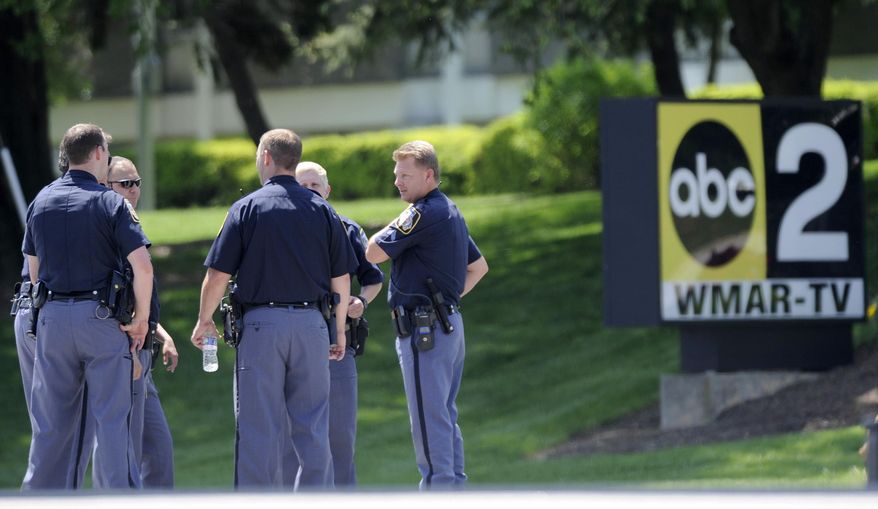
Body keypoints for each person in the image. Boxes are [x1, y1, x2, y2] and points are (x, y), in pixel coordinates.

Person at [190, 128, 357, 489]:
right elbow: (341, 278)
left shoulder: (247, 207)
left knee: (258, 428)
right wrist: (339, 330)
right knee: (313, 427)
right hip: (313, 325)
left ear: (266, 157)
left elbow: (217, 274)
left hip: (262, 327)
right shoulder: (323, 210)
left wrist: (204, 320)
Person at [21, 123, 153, 490]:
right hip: (99, 319)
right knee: (112, 422)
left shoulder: (41, 200)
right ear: (97, 153)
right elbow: (143, 266)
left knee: (51, 424)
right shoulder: (110, 202)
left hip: (51, 319)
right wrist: (141, 320)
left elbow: (35, 272)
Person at [365, 140, 488, 490]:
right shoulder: (450, 210)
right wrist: (444, 302)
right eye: (396, 175)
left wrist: (434, 307)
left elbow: (373, 252)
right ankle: (452, 490)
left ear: (429, 175)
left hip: (425, 332)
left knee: (428, 419)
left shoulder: (421, 213)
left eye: (405, 175)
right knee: (443, 416)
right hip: (446, 326)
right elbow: (478, 267)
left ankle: (437, 494)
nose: (397, 182)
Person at [291, 161, 384, 486]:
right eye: (301, 186)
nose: (308, 193)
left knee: (340, 439)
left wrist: (361, 301)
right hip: (293, 346)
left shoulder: (346, 228)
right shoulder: (279, 228)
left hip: (336, 345)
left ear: (327, 191)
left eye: (314, 186)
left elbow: (372, 279)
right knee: (293, 441)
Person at [105, 156, 178, 488]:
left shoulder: (131, 226)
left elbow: (139, 300)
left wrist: (163, 335)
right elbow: (116, 303)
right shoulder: (109, 230)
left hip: (145, 349)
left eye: (136, 182)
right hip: (126, 351)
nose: (133, 190)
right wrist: (130, 353)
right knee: (123, 449)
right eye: (125, 184)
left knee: (159, 452)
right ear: (105, 187)